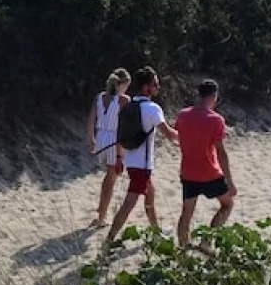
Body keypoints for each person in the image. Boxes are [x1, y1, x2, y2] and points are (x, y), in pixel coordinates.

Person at [105, 66, 179, 248]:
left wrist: (120, 157)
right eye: (155, 84)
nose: (158, 87)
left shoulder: (129, 106)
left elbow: (121, 135)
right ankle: (109, 239)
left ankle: (156, 231)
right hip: (143, 164)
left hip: (131, 160)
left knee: (150, 196)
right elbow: (169, 134)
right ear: (147, 87)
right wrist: (189, 134)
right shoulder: (152, 108)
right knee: (129, 203)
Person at [175, 79, 236, 249]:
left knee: (186, 213)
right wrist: (230, 181)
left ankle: (183, 248)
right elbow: (221, 152)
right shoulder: (216, 120)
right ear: (214, 96)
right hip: (210, 172)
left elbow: (180, 136)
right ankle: (206, 241)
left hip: (188, 171)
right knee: (227, 204)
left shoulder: (183, 115)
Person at [84, 68, 132, 229]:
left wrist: (91, 139)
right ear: (123, 84)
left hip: (101, 137)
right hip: (113, 139)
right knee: (111, 179)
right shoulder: (124, 100)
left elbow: (90, 120)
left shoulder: (100, 97)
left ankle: (101, 209)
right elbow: (126, 125)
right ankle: (102, 215)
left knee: (108, 176)